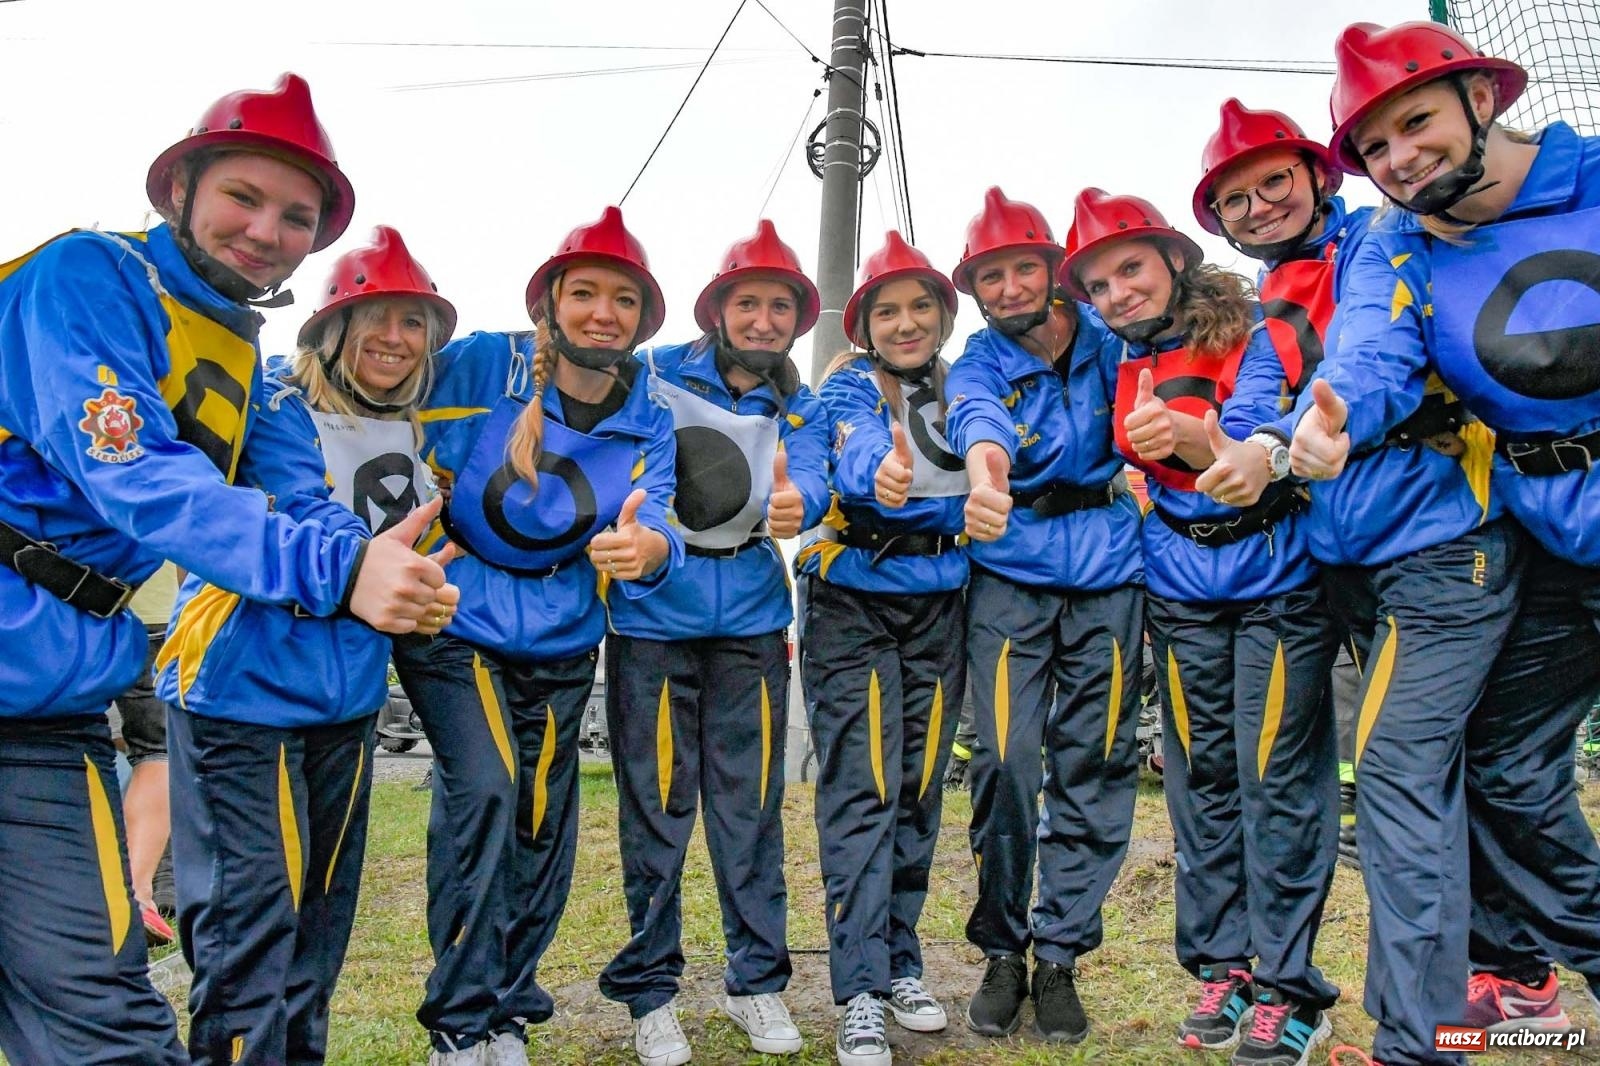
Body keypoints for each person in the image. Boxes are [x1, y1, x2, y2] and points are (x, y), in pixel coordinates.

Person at [0, 72, 453, 1066]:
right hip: (146, 687)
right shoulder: (89, 277)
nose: (267, 229)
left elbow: (293, 498)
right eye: (243, 197)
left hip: (51, 712)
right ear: (181, 190)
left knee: (103, 1025)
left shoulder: (245, 361)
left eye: (296, 215)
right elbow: (136, 473)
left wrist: (366, 564)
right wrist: (340, 576)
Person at [1302, 20, 1600, 1061]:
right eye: (1373, 148)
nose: (1397, 159)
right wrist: (1335, 409)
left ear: (1480, 98)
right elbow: (1374, 344)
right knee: (1507, 777)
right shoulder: (1397, 234)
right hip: (1558, 553)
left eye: (1414, 122)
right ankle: (1486, 1002)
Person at [156, 223, 460, 1065]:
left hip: (348, 694)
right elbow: (294, 503)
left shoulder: (419, 435)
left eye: (414, 324)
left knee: (321, 919)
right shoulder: (273, 404)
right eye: (377, 317)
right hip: (239, 686)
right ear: (329, 329)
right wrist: (370, 562)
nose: (396, 340)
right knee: (250, 919)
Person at [1061, 187, 1341, 1066]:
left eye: (1131, 269)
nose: (1118, 294)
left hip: (1277, 581)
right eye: (1099, 284)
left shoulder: (1254, 331)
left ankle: (1293, 988)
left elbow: (1257, 423)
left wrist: (1199, 440)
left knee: (1277, 784)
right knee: (1201, 783)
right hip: (1179, 588)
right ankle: (1225, 965)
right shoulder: (1110, 357)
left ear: (1175, 260)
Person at [398, 205, 683, 1066]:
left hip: (562, 639)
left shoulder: (650, 413)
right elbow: (380, 381)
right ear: (550, 303)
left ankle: (507, 1005)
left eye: (623, 300)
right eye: (585, 292)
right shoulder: (487, 363)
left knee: (539, 823)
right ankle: (458, 1019)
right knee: (483, 792)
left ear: (642, 319)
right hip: (457, 623)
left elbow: (659, 523)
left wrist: (646, 549)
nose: (604, 312)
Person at [597, 219, 828, 1066]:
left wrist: (806, 501)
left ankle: (759, 985)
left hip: (755, 628)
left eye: (780, 307)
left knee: (749, 812)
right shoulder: (650, 376)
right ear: (717, 309)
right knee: (656, 811)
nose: (764, 320)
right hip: (652, 624)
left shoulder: (795, 403)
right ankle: (651, 996)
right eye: (749, 302)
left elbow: (814, 475)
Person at [943, 187, 1144, 1043]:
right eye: (993, 276)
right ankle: (1002, 949)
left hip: (1109, 570)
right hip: (1009, 576)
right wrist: (987, 476)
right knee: (1005, 761)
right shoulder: (979, 361)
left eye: (1025, 266)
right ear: (977, 290)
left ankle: (1059, 952)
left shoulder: (1113, 338)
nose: (1012, 287)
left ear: (1056, 268)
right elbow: (977, 423)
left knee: (1095, 760)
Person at [1190, 98, 1378, 877]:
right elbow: (1263, 380)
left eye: (1273, 183)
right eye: (1236, 199)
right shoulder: (1273, 288)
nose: (1258, 207)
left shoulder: (1375, 236)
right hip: (1333, 530)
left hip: (1420, 515)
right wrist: (1238, 441)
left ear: (1318, 173)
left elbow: (1369, 349)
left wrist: (1269, 442)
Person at [798, 231, 968, 1066]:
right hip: (852, 601)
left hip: (941, 603)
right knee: (861, 788)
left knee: (918, 784)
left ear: (943, 314)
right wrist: (880, 476)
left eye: (920, 307)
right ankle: (858, 990)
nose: (906, 323)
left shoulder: (966, 385)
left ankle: (902, 959)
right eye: (887, 310)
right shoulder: (844, 391)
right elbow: (860, 449)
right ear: (864, 323)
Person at [115, 560, 181, 946]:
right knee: (157, 751)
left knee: (68, 742)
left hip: (60, 613)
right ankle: (137, 895)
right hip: (151, 611)